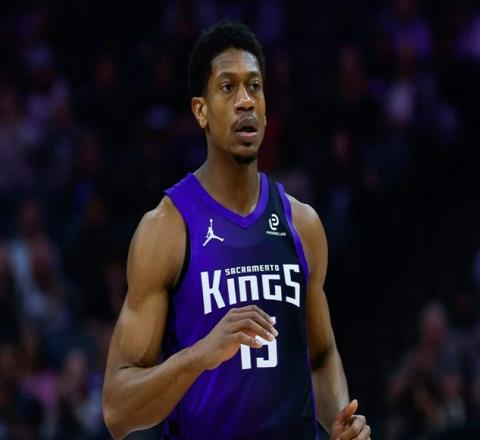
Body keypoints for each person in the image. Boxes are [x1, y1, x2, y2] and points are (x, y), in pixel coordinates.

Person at [103, 20, 371, 440]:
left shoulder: (303, 224)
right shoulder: (166, 229)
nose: (245, 100)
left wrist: (340, 419)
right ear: (201, 111)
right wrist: (199, 356)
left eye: (255, 87)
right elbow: (117, 410)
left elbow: (320, 358)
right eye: (228, 87)